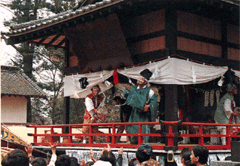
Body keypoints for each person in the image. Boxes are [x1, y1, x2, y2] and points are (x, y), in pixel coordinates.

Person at [123, 69, 158, 144]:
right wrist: (127, 90)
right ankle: (133, 143)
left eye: (141, 79)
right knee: (133, 131)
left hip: (143, 115)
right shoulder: (134, 89)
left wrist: (148, 106)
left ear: (145, 82)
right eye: (139, 78)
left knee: (143, 133)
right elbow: (126, 96)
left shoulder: (149, 91)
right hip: (134, 114)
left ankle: (144, 144)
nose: (139, 80)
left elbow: (154, 103)